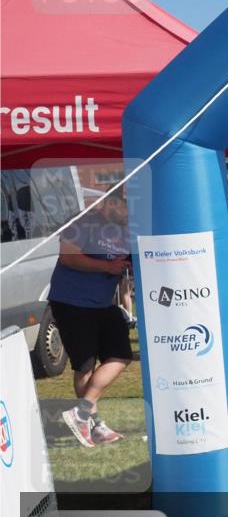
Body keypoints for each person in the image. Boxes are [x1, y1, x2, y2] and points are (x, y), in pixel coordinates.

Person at [50, 187, 132, 447]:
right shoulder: (84, 221)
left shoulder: (127, 230)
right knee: (85, 366)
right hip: (72, 302)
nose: (131, 213)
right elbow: (67, 256)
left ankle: (81, 412)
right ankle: (95, 427)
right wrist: (107, 266)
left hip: (102, 305)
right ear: (111, 202)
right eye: (127, 206)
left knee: (121, 354)